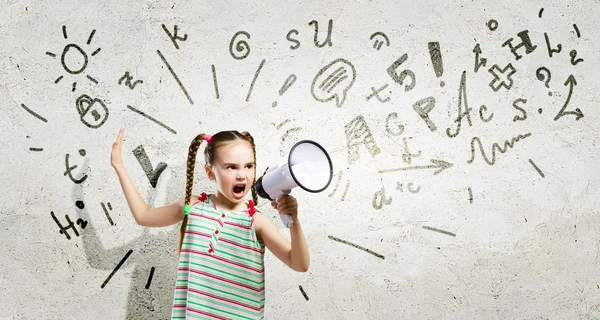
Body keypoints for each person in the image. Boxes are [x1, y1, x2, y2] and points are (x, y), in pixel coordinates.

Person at [110, 128, 310, 319]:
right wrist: (119, 166)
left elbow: (299, 264)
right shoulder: (193, 206)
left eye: (248, 166)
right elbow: (143, 216)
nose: (242, 174)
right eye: (231, 167)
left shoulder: (256, 222)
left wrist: (294, 221)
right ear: (210, 172)